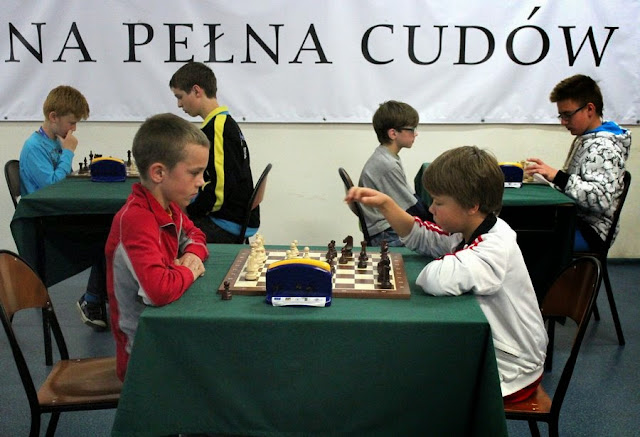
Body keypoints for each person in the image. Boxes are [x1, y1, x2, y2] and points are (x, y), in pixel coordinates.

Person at [346, 146, 548, 401]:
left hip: (512, 369)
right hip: (496, 351)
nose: (431, 209)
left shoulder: (495, 247)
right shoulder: (471, 229)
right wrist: (386, 205)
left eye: (439, 202)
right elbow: (426, 237)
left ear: (472, 206)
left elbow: (434, 278)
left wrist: (444, 257)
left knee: (406, 383)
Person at [105, 113, 209, 381]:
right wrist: (190, 271)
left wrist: (190, 255)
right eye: (194, 173)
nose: (201, 182)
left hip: (167, 330)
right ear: (159, 173)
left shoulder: (170, 206)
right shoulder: (135, 220)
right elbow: (158, 291)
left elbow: (196, 235)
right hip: (142, 352)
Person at [18, 85, 109, 331]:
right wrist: (68, 152)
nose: (74, 129)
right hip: (45, 221)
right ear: (53, 117)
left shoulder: (53, 143)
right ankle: (92, 298)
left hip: (56, 213)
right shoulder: (34, 147)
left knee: (111, 226)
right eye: (72, 122)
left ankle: (97, 294)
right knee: (107, 233)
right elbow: (53, 187)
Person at [525, 74, 631, 252]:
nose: (563, 122)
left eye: (568, 115)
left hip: (591, 231)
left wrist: (558, 177)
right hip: (575, 219)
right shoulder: (586, 139)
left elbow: (601, 200)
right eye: (561, 115)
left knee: (526, 236)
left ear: (589, 109)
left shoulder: (604, 148)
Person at [169, 62, 258, 243]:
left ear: (196, 91)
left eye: (180, 96)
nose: (179, 104)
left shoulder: (218, 128)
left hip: (226, 222)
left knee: (167, 232)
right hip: (234, 216)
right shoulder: (223, 123)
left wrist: (190, 211)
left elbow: (220, 191)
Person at [358, 100, 430, 247]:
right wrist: (434, 223)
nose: (416, 133)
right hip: (386, 233)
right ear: (393, 133)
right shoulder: (387, 164)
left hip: (386, 228)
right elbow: (411, 206)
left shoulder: (387, 156)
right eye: (412, 129)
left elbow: (408, 196)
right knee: (436, 244)